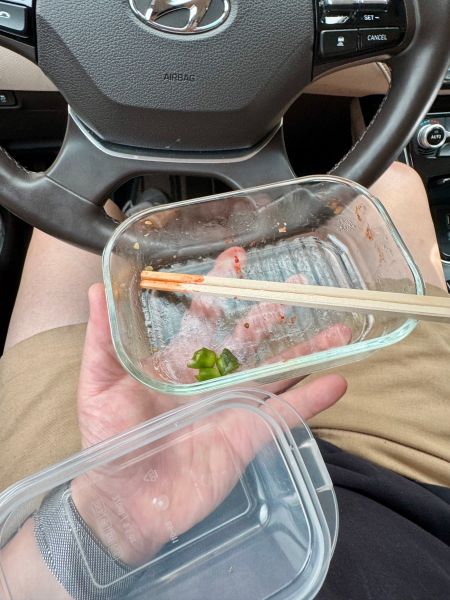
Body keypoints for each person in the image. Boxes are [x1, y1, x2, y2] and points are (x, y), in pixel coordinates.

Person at [0, 162, 449, 599]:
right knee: (394, 182)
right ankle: (176, 210)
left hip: (80, 545)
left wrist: (109, 519)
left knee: (69, 218)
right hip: (395, 490)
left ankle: (147, 211)